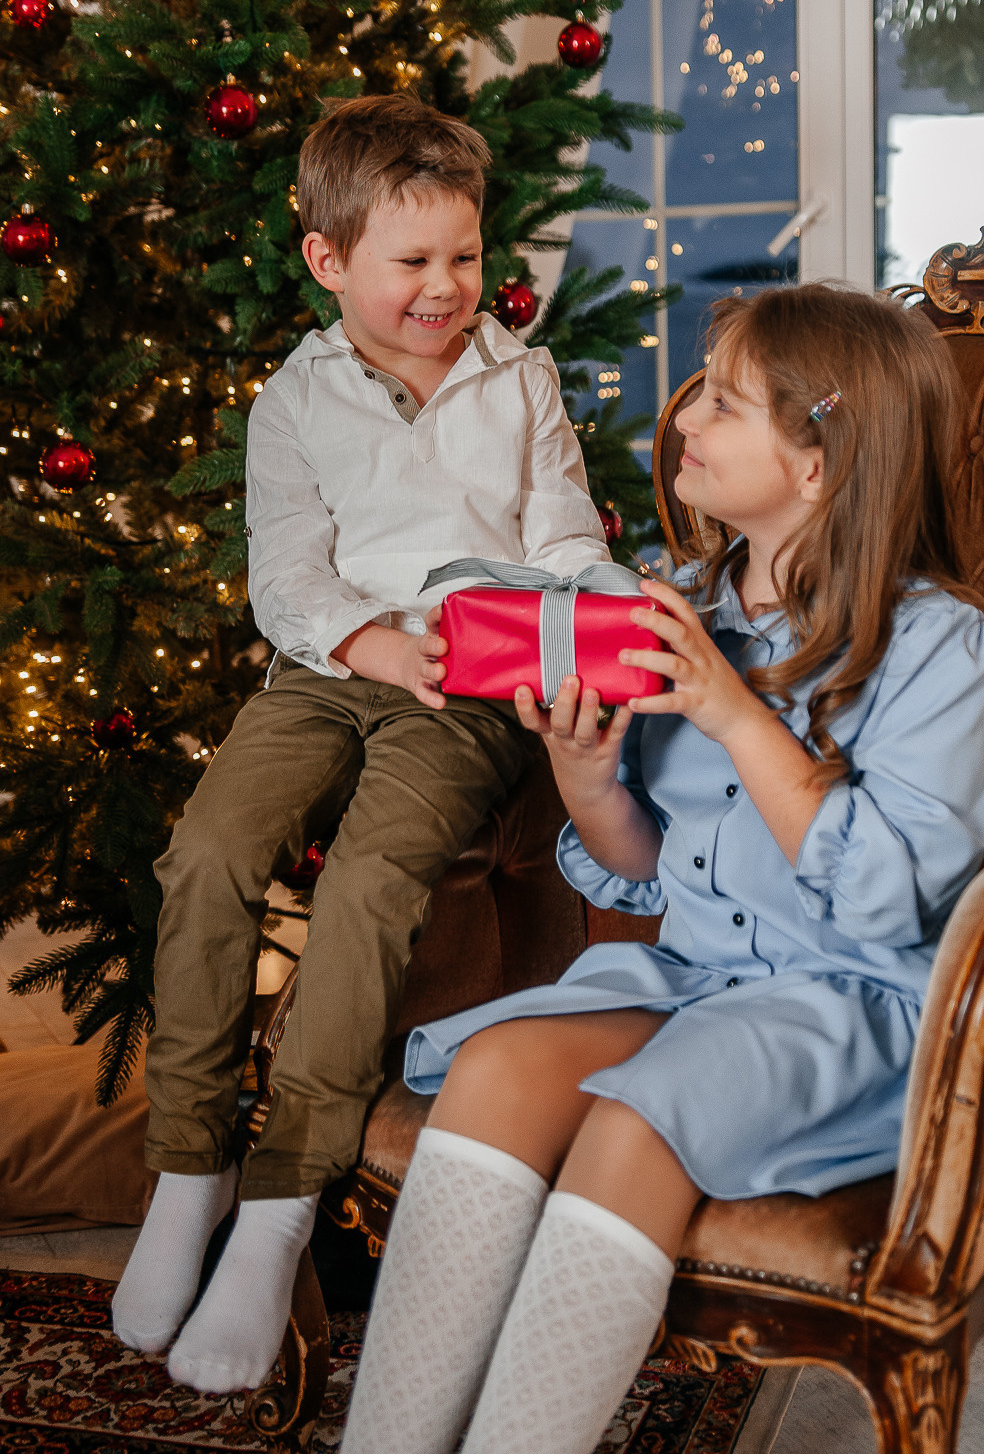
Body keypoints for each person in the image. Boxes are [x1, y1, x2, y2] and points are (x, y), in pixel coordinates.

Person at [339, 281, 984, 1454]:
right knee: (494, 1068)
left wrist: (735, 712)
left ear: (817, 466)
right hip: (691, 980)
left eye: (723, 404)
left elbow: (888, 899)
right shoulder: (672, 605)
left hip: (843, 1001)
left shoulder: (934, 642)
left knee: (638, 1119)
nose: (682, 419)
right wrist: (587, 774)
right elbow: (643, 870)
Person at [110, 94, 611, 1394]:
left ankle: (279, 1206)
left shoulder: (521, 381)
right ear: (329, 260)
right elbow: (284, 572)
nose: (446, 286)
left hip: (467, 687)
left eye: (465, 255)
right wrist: (367, 642)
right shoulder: (295, 399)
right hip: (327, 671)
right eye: (413, 260)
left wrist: (584, 608)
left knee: (373, 882)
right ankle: (189, 1165)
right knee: (209, 853)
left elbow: (563, 535)